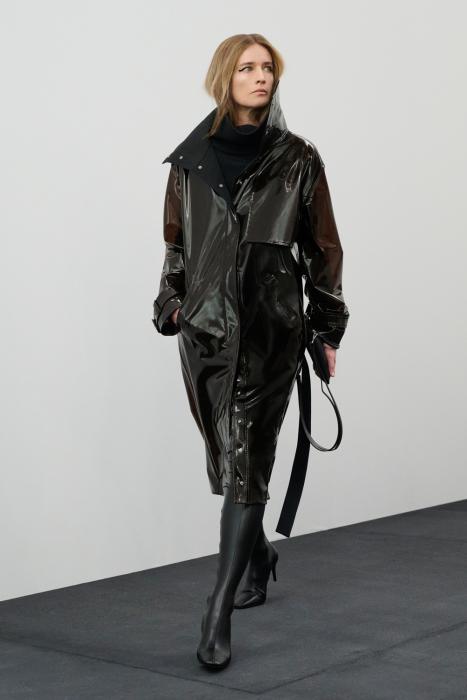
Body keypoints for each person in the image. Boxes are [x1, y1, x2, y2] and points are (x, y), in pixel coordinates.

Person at [152, 33, 350, 670]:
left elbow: (323, 248)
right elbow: (176, 247)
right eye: (247, 67)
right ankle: (259, 556)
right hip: (206, 337)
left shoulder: (297, 158)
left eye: (268, 68)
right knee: (231, 460)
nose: (260, 76)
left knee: (246, 461)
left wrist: (325, 329)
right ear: (225, 78)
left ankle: (217, 613)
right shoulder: (190, 160)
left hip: (270, 333)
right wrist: (172, 306)